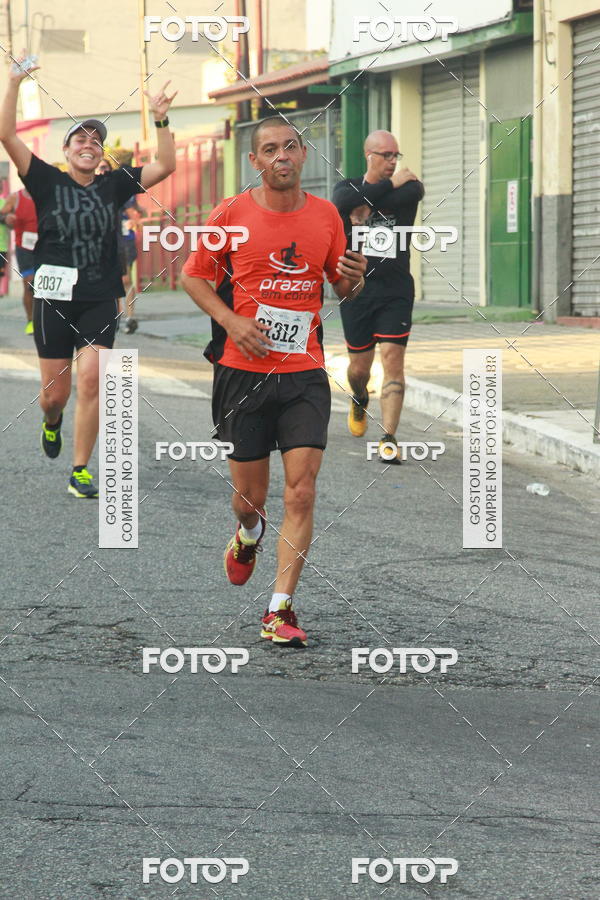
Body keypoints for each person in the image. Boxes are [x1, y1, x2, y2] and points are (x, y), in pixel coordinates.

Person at [181, 116, 366, 647]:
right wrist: (232, 321)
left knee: (302, 492)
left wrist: (352, 283)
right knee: (251, 498)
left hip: (305, 372)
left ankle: (279, 608)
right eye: (270, 150)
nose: (281, 156)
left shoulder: (328, 216)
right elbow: (194, 274)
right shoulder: (231, 214)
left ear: (303, 155)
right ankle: (248, 533)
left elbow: (340, 285)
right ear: (255, 162)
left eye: (290, 147)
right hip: (243, 374)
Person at [0, 54, 177, 497]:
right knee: (54, 395)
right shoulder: (44, 180)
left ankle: (80, 468)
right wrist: (14, 83)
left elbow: (167, 165)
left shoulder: (114, 184)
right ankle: (52, 421)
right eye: (80, 138)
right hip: (54, 300)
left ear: (100, 153)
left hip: (100, 295)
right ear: (66, 150)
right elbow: (5, 134)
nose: (89, 143)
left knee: (93, 378)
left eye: (96, 140)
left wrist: (161, 120)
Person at [332, 130, 424, 464]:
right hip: (355, 289)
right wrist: (385, 187)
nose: (392, 162)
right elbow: (341, 203)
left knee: (393, 362)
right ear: (368, 155)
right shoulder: (346, 188)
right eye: (385, 155)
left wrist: (366, 203)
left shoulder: (409, 187)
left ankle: (389, 437)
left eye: (395, 156)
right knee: (359, 369)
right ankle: (358, 397)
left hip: (395, 290)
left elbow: (402, 195)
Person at [0, 186, 38, 333]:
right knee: (29, 282)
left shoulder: (47, 192)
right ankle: (30, 321)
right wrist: (7, 218)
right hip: (25, 247)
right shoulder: (16, 197)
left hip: (46, 246)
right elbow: (2, 215)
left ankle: (46, 319)